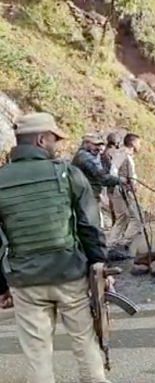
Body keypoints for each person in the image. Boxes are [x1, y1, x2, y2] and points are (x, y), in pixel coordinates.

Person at [0, 113, 109, 383]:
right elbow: (89, 226)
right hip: (69, 274)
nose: (56, 145)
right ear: (40, 139)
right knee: (84, 340)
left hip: (25, 281)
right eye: (53, 139)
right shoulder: (67, 173)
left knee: (37, 353)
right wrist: (99, 263)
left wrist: (1, 285)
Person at [107, 133, 142, 259]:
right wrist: (122, 181)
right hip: (121, 190)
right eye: (139, 143)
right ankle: (118, 245)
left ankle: (115, 245)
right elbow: (113, 170)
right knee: (132, 218)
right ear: (133, 143)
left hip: (126, 190)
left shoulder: (127, 155)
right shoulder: (122, 154)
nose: (140, 145)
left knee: (128, 217)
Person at [71, 133, 124, 201]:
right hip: (86, 197)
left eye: (100, 145)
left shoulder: (89, 155)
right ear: (86, 144)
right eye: (95, 145)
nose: (99, 148)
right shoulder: (86, 157)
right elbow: (102, 177)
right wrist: (121, 180)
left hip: (86, 194)